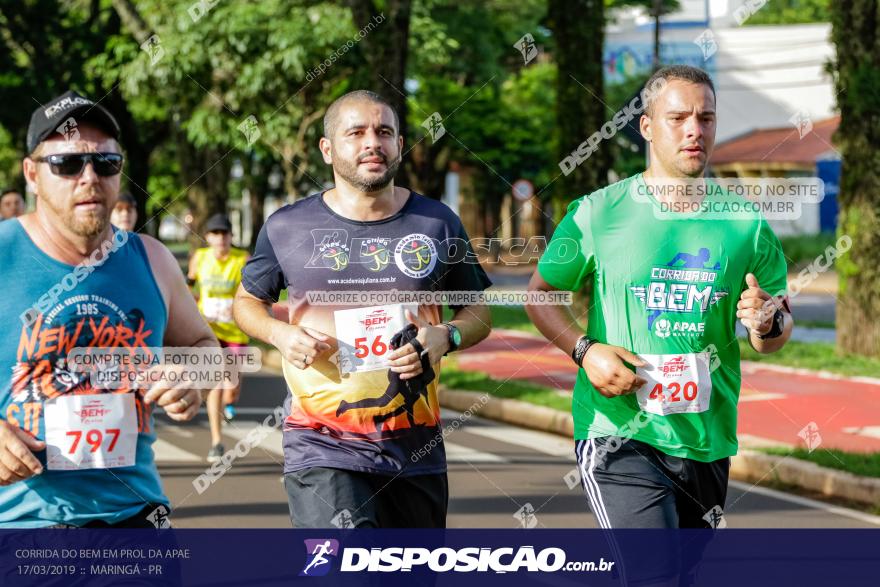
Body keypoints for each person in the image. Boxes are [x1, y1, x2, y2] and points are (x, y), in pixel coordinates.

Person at [526, 64, 793, 579]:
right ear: (647, 127)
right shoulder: (597, 212)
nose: (695, 130)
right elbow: (540, 295)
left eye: (706, 118)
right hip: (619, 432)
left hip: (706, 437)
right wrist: (585, 350)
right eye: (678, 118)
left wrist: (766, 323)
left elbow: (774, 332)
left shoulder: (746, 223)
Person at [233, 90, 492, 528]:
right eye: (356, 132)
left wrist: (445, 337)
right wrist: (280, 334)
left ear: (399, 144)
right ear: (328, 148)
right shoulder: (288, 226)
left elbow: (478, 314)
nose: (373, 142)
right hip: (322, 442)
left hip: (416, 446)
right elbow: (246, 303)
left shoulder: (437, 222)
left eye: (384, 132)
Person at [0, 90, 216, 528]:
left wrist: (192, 376)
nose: (89, 177)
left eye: (106, 163)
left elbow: (206, 347)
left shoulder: (152, 259)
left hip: (137, 518)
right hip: (22, 525)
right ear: (32, 174)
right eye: (66, 163)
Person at [187, 213, 249, 462]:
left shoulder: (241, 259)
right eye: (215, 233)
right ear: (208, 237)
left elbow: (252, 292)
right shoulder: (200, 258)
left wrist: (238, 308)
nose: (220, 238)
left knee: (230, 389)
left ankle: (230, 402)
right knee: (214, 385)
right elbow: (186, 287)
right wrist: (195, 310)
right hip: (209, 331)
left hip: (234, 330)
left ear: (231, 237)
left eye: (224, 233)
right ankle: (216, 441)